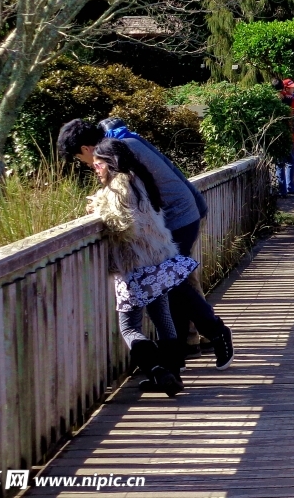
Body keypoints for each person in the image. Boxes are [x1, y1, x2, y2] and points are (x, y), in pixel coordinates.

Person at [58, 119, 235, 371]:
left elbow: (123, 195)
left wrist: (100, 204)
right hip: (176, 217)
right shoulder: (122, 142)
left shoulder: (113, 150)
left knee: (172, 283)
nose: (87, 164)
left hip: (176, 219)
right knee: (170, 284)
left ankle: (215, 333)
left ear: (86, 148)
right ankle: (181, 353)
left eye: (80, 158)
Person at [87, 139, 197, 397]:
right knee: (162, 316)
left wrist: (98, 206)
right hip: (158, 262)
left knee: (129, 327)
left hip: (135, 267)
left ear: (110, 164)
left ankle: (157, 370)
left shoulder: (116, 187)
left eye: (98, 164)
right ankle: (173, 373)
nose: (95, 169)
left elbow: (122, 225)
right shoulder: (138, 179)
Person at [272, 78, 294, 196]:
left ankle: (282, 190)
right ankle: (290, 187)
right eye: (291, 87)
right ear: (284, 87)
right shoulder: (292, 100)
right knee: (290, 161)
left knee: (280, 163)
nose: (293, 88)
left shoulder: (271, 100)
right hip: (291, 135)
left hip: (277, 136)